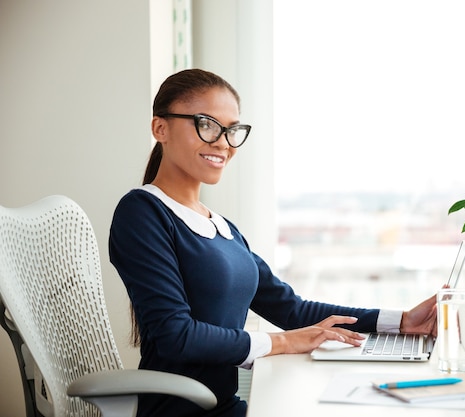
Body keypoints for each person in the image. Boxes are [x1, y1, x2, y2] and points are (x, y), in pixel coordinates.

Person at [109, 68, 439, 417]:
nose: (222, 142)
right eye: (206, 124)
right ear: (160, 128)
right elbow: (176, 335)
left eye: (232, 130)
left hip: (226, 407)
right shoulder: (143, 212)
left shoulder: (222, 227)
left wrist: (401, 321)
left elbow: (292, 310)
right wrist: (284, 342)